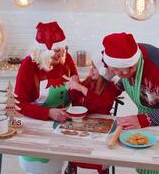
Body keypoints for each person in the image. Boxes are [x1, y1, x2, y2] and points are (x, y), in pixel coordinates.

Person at [102, 32, 159, 174]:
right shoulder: (116, 58)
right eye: (117, 70)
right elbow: (121, 84)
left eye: (131, 68)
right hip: (144, 117)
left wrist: (144, 120)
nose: (125, 73)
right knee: (145, 165)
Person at [15, 21, 78, 174]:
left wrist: (77, 85)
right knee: (41, 168)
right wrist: (48, 113)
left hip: (61, 126)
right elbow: (19, 104)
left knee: (59, 166)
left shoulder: (66, 59)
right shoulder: (28, 66)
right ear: (44, 51)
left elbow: (74, 93)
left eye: (63, 49)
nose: (61, 54)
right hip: (36, 127)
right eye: (57, 50)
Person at [64, 53, 121, 174]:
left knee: (98, 155)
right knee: (73, 148)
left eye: (94, 67)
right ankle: (72, 166)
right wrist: (75, 85)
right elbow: (75, 100)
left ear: (103, 71)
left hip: (100, 129)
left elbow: (102, 104)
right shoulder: (90, 81)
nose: (91, 70)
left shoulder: (109, 87)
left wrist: (81, 88)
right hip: (83, 126)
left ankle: (102, 169)